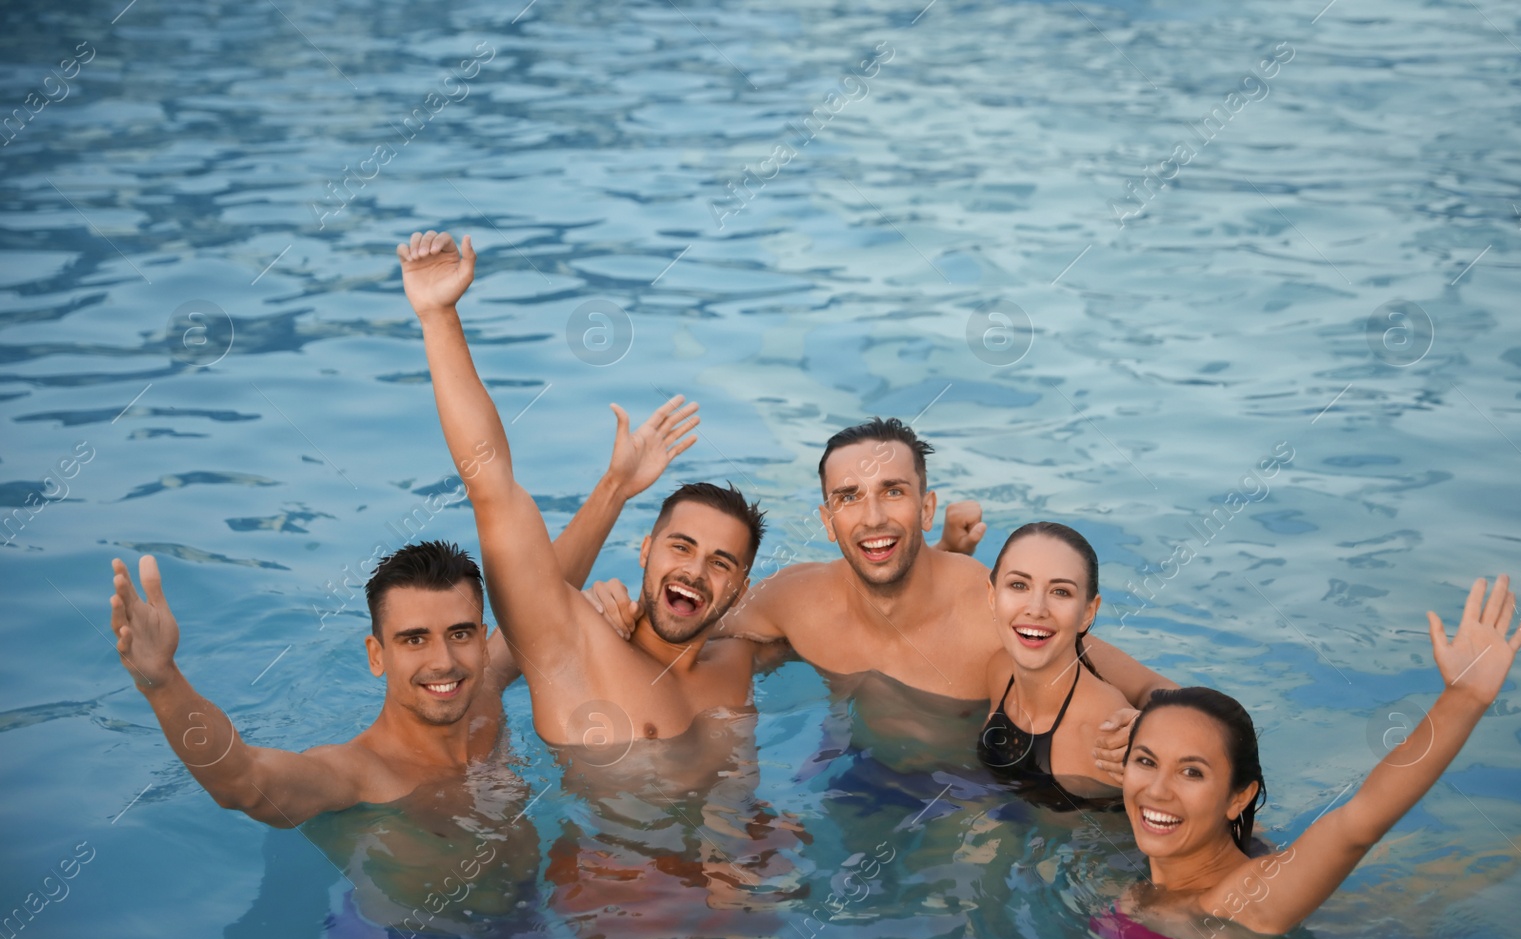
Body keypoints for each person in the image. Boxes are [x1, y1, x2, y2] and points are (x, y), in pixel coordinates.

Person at [108, 388, 699, 826]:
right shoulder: (360, 774)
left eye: (460, 633)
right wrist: (162, 682)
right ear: (376, 654)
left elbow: (540, 595)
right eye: (413, 639)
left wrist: (614, 488)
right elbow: (244, 783)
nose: (443, 660)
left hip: (528, 930)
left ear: (481, 633)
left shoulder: (483, 694)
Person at [588, 417, 1173, 762]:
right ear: (826, 520)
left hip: (972, 788)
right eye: (848, 498)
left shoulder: (993, 610)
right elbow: (685, 620)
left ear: (925, 505)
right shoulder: (794, 601)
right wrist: (610, 611)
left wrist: (1141, 734)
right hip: (856, 774)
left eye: (893, 492)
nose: (870, 518)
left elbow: (1153, 688)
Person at [397, 229, 771, 747]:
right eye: (680, 546)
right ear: (646, 551)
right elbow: (491, 487)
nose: (694, 570)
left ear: (742, 587)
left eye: (721, 562)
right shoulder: (575, 647)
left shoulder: (741, 662)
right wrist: (438, 316)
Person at [1097, 574, 1521, 939]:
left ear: (1238, 797)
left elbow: (1356, 824)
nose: (1157, 790)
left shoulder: (1242, 901)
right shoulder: (1149, 883)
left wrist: (1466, 697)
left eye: (1191, 772)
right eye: (1146, 762)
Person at [980, 522, 1139, 809]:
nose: (1036, 609)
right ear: (992, 597)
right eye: (1019, 585)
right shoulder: (1000, 671)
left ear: (1088, 613)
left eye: (1060, 592)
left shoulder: (1105, 733)